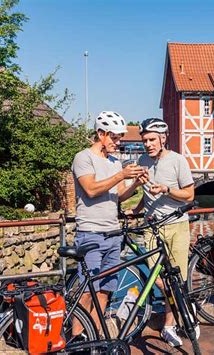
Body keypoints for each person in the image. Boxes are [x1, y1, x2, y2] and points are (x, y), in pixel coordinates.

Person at [71, 111, 148, 338]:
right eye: (114, 137)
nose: (118, 142)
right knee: (87, 292)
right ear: (100, 134)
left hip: (113, 234)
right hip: (91, 233)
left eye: (119, 137)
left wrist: (134, 182)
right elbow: (92, 189)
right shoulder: (83, 158)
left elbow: (119, 195)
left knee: (105, 290)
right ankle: (76, 340)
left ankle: (93, 339)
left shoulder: (115, 162)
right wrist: (120, 175)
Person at [129, 117, 196, 347]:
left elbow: (189, 195)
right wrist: (136, 208)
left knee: (176, 279)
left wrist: (167, 190)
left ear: (163, 138)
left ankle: (169, 325)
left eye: (151, 140)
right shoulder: (142, 160)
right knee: (157, 279)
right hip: (151, 227)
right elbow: (147, 193)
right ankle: (183, 306)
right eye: (145, 140)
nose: (147, 144)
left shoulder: (178, 161)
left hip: (177, 226)